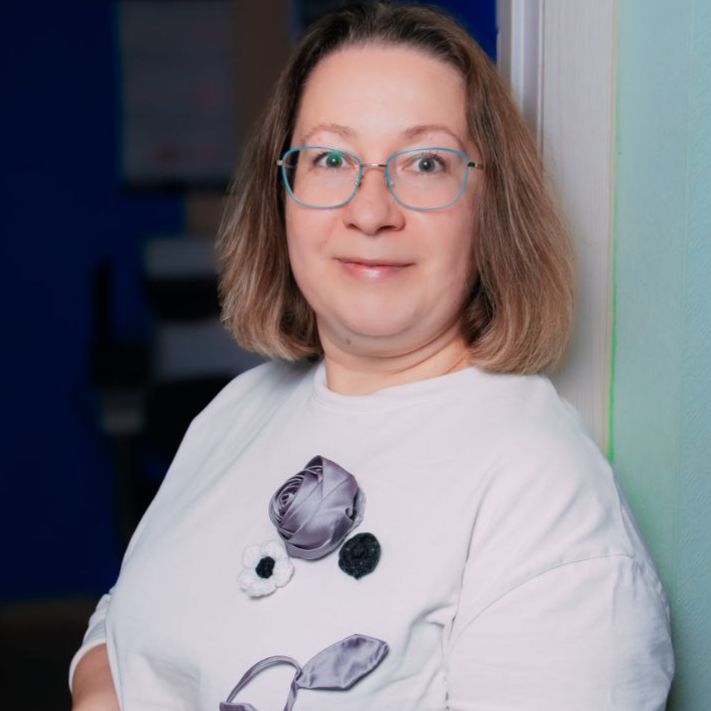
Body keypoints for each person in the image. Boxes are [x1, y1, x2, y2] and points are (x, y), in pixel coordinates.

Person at [69, 2, 675, 710]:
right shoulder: (237, 409)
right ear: (283, 194)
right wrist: (99, 689)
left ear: (491, 206)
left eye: (425, 163)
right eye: (330, 158)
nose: (370, 210)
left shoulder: (539, 496)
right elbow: (125, 620)